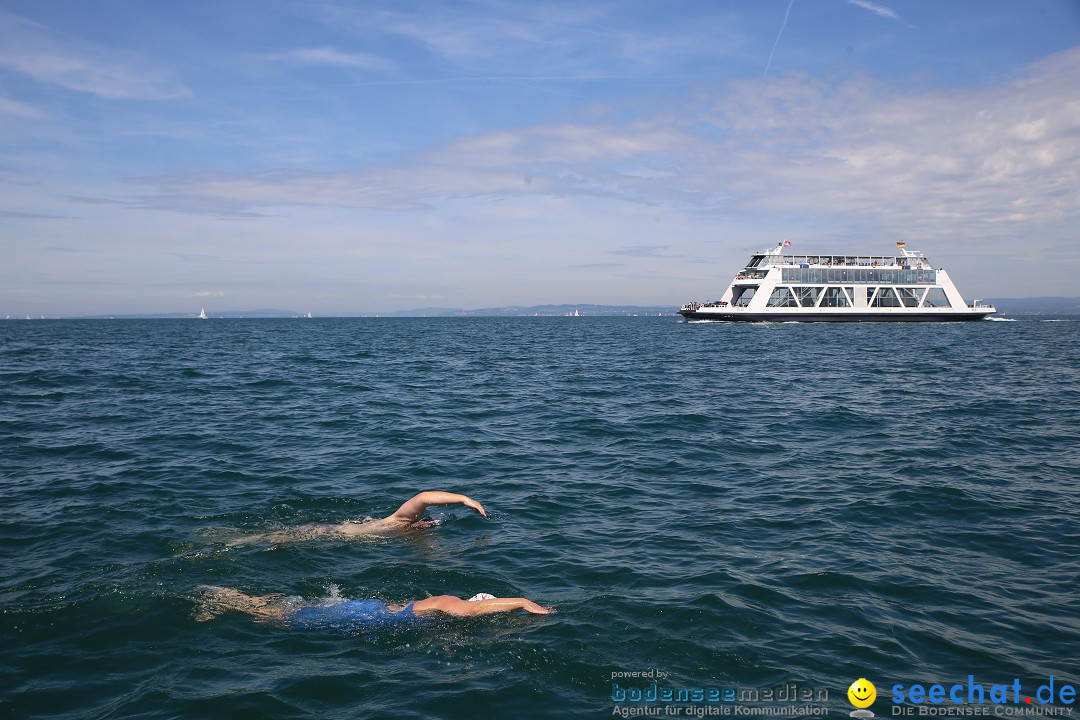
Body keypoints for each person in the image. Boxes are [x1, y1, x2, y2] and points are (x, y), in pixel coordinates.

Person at [195, 586, 553, 626]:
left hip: (368, 608)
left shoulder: (437, 601)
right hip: (368, 616)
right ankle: (220, 600)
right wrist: (524, 603)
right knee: (282, 619)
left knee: (290, 611)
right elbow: (473, 611)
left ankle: (233, 598)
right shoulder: (452, 604)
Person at [228, 491, 487, 546]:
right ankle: (240, 541)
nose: (427, 525)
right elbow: (423, 498)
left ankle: (242, 540)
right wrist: (465, 499)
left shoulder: (405, 535)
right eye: (427, 522)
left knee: (280, 539)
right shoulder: (400, 522)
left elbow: (424, 553)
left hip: (335, 534)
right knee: (276, 539)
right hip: (331, 532)